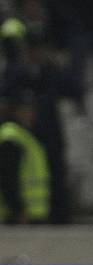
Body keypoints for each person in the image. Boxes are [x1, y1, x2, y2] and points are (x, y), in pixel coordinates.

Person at [0, 91, 50, 224]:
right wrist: (17, 209)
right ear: (16, 111)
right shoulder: (11, 137)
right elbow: (8, 178)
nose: (32, 113)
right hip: (18, 215)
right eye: (27, 109)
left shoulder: (24, 134)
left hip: (31, 213)